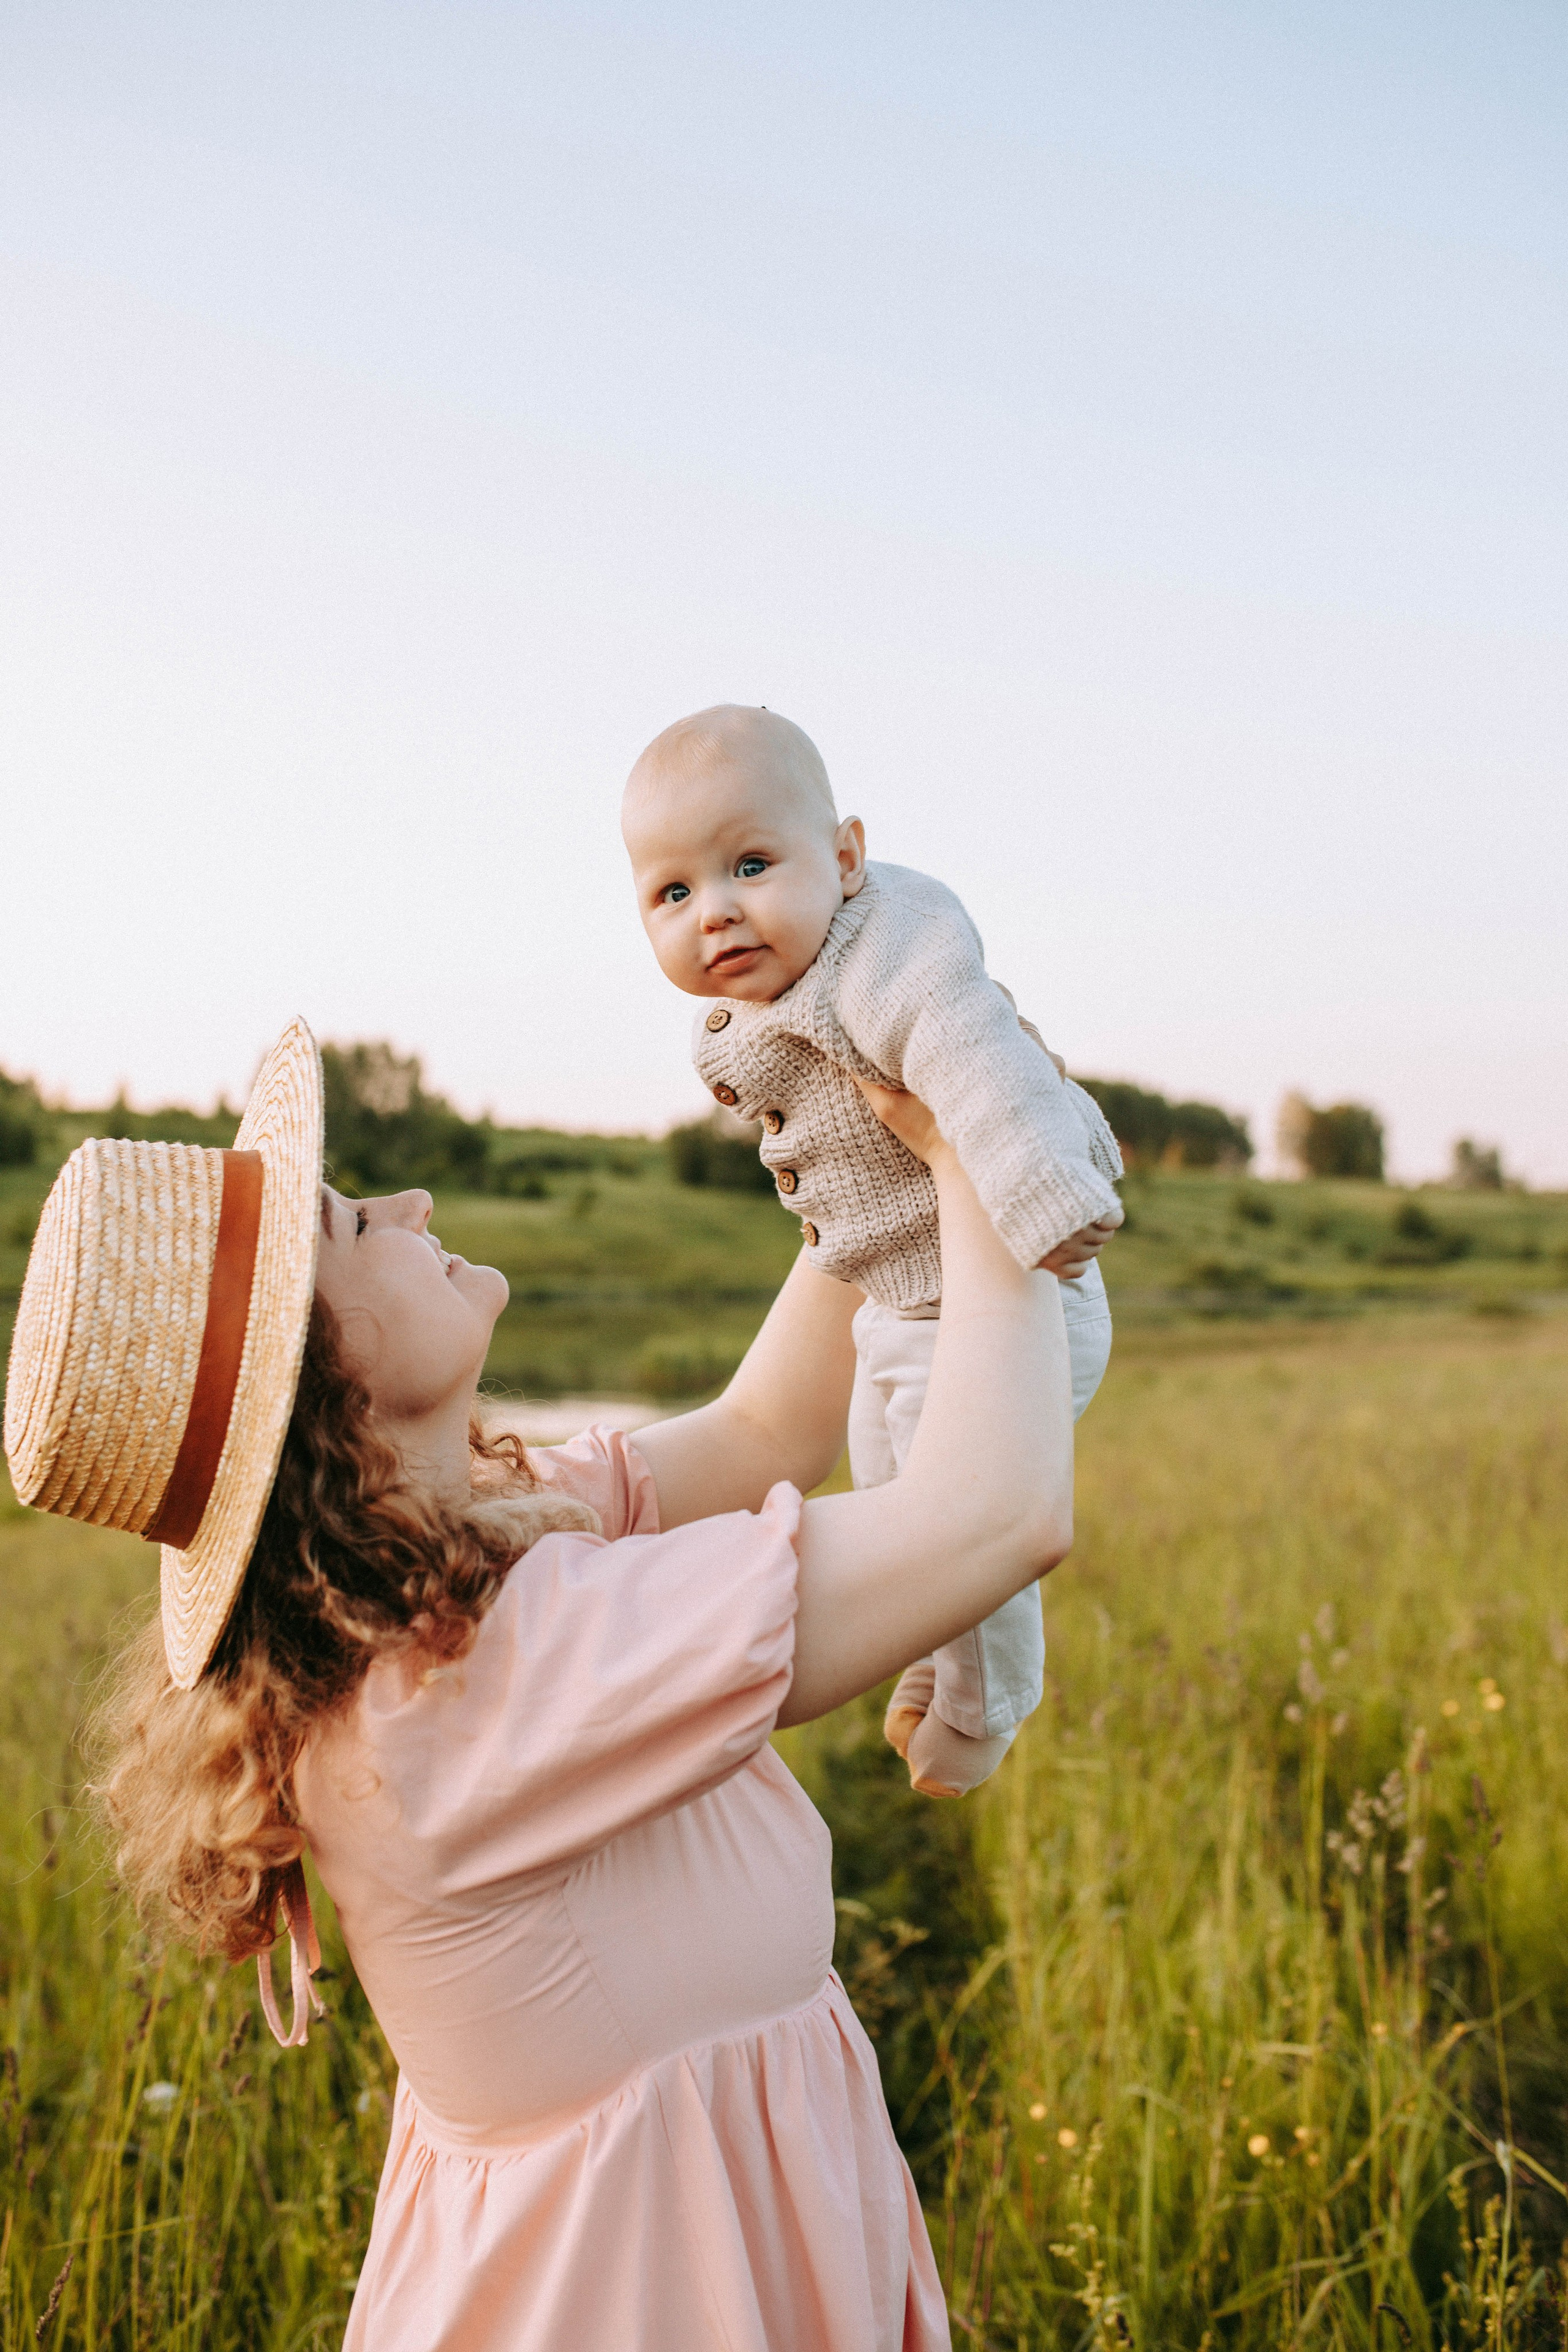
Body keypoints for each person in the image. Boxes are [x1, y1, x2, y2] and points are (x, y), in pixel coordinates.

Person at [3, 1016, 1076, 2352]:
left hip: (705, 2218)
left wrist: (858, 1118)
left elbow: (763, 1429)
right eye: (350, 1226)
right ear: (317, 1386)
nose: (410, 1200)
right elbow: (996, 1513)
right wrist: (994, 1165)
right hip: (637, 2288)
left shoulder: (483, 1543)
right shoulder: (463, 1690)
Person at [623, 702, 1120, 1795]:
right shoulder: (767, 998)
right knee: (886, 1485)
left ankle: (987, 1709)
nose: (715, 912)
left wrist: (1042, 1195)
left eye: (751, 864)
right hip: (908, 1303)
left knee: (949, 1515)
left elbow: (982, 1061)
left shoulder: (889, 951)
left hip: (1012, 1297)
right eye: (673, 893)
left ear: (845, 857)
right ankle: (933, 1664)